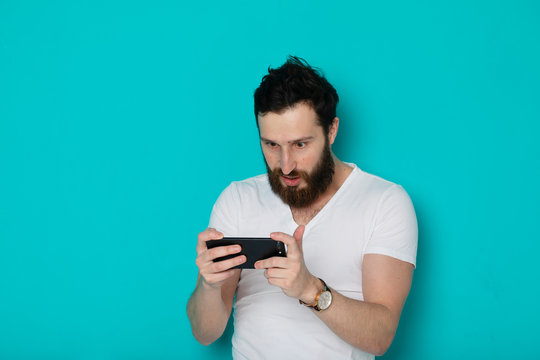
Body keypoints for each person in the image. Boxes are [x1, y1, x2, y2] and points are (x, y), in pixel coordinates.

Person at [187, 56, 418, 359]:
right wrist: (208, 284)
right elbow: (206, 333)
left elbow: (381, 336)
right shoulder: (238, 199)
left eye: (300, 145)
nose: (286, 165)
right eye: (271, 145)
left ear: (331, 130)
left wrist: (310, 289)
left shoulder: (385, 201)